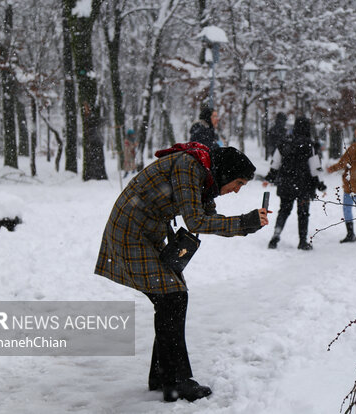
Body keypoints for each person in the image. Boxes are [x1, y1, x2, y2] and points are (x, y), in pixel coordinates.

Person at [95, 143, 268, 403]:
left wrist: (249, 224)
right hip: (130, 231)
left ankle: (163, 376)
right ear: (226, 173)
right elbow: (196, 221)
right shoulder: (189, 167)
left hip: (146, 233)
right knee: (172, 297)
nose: (236, 190)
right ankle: (175, 381)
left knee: (171, 299)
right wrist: (245, 221)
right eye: (238, 182)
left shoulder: (205, 176)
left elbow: (207, 214)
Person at [264, 116, 326, 251]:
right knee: (303, 213)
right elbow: (314, 167)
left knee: (284, 210)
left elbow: (275, 163)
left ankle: (275, 235)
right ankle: (302, 241)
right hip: (304, 185)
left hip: (286, 183)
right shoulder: (309, 145)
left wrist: (270, 177)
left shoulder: (284, 143)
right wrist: (320, 184)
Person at [327, 121, 356, 243]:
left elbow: (343, 163)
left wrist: (332, 168)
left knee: (347, 208)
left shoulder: (355, 148)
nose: (355, 130)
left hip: (352, 183)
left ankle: (350, 234)